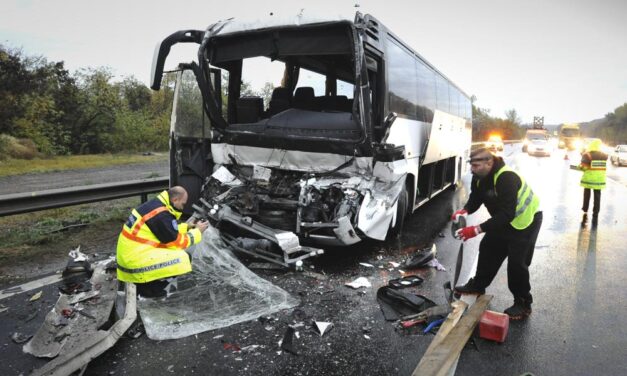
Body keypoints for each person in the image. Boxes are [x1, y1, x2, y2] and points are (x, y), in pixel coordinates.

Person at [451, 148, 542, 319]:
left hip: (526, 221)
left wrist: (476, 229)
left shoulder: (506, 177)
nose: (473, 169)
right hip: (504, 219)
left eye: (477, 165)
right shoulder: (479, 178)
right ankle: (478, 285)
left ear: (489, 163)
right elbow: (476, 198)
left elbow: (508, 213)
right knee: (488, 248)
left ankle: (523, 303)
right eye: (472, 165)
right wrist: (465, 211)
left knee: (517, 263)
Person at [116, 186, 208, 297]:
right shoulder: (161, 215)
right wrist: (198, 231)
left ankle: (147, 286)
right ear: (175, 200)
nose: (183, 207)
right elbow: (177, 243)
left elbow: (164, 230)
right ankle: (150, 291)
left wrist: (187, 227)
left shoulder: (157, 206)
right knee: (183, 257)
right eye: (183, 204)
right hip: (133, 263)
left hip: (129, 257)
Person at [578, 138, 607, 226]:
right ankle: (596, 213)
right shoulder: (604, 156)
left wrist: (580, 163)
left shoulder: (587, 155)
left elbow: (583, 167)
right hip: (599, 180)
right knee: (597, 197)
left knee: (587, 194)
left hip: (588, 180)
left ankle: (585, 210)